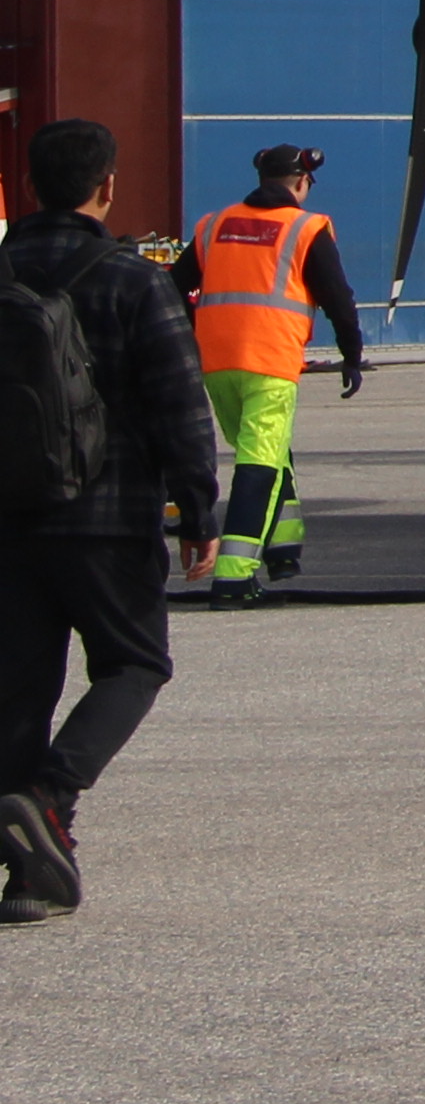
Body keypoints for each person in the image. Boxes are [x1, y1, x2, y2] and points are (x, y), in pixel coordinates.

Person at [0, 120, 222, 923]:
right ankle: (49, 795)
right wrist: (198, 509)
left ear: (31, 187)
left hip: (11, 522)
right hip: (110, 518)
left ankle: (31, 873)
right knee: (135, 665)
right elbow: (178, 401)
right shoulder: (133, 279)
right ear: (108, 187)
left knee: (19, 690)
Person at [182, 144, 367, 604]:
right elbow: (338, 298)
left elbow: (172, 286)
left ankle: (283, 549)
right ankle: (234, 577)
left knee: (265, 448)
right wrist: (351, 354)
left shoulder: (214, 225)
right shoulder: (306, 227)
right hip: (270, 362)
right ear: (302, 182)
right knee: (260, 461)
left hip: (216, 364)